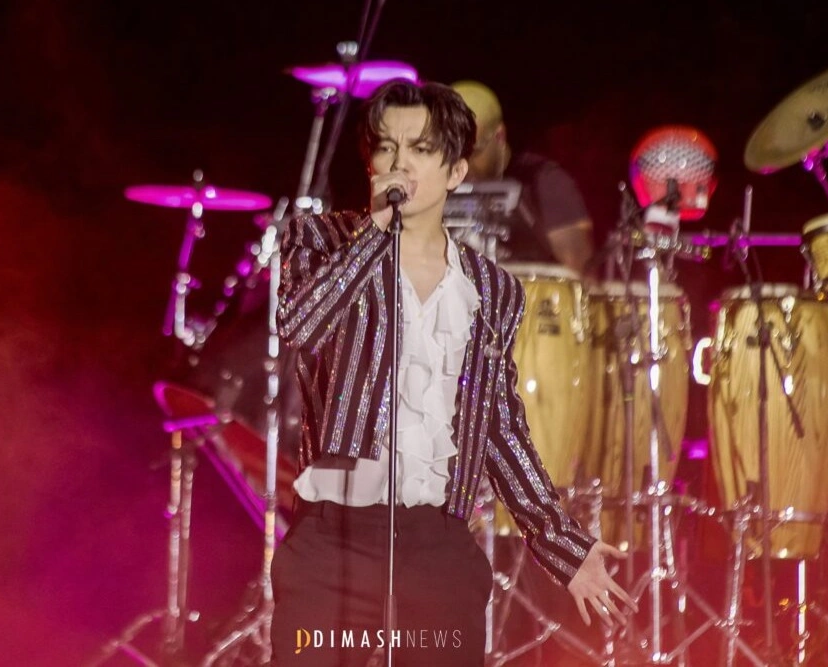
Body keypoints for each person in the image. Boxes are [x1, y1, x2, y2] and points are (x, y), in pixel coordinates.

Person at [269, 79, 633, 666]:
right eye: (386, 146)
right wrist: (374, 236)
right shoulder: (319, 240)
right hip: (332, 547)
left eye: (420, 149)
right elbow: (302, 327)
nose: (399, 162)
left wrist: (564, 546)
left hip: (436, 548)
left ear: (456, 172)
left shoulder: (490, 290)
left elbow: (501, 430)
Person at [451, 80, 595, 273]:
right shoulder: (438, 180)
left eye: (473, 153)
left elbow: (578, 272)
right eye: (451, 154)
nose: (462, 165)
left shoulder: (544, 182)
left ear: (499, 135)